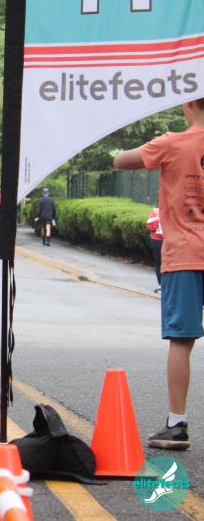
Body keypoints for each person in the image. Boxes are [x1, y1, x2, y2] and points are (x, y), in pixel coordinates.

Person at [114, 97, 204, 450]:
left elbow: (121, 161)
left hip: (185, 254)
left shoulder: (171, 143)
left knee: (182, 340)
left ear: (189, 103)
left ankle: (177, 424)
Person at [146, 206, 164, 293]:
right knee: (159, 262)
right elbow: (150, 226)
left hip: (171, 240)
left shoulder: (174, 209)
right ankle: (161, 284)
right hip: (157, 240)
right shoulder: (156, 212)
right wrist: (157, 222)